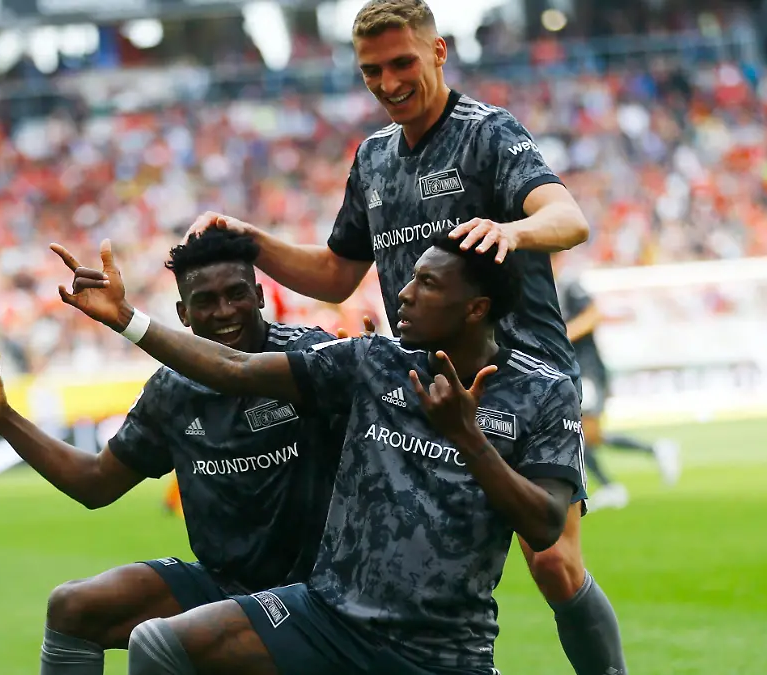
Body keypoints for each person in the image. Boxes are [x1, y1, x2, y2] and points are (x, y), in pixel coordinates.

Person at [184, 1, 623, 672]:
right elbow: (334, 274)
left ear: (438, 53)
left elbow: (568, 216)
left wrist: (513, 231)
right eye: (370, 72)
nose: (388, 83)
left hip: (520, 377)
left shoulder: (488, 136)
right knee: (399, 568)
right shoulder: (376, 159)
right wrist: (248, 238)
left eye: (401, 64)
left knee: (555, 564)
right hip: (419, 386)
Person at [54, 233, 585, 675]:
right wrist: (127, 318)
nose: (403, 293)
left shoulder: (545, 392)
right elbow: (234, 371)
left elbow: (543, 525)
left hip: (442, 648)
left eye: (426, 283)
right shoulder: (374, 361)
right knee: (159, 645)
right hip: (327, 617)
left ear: (476, 308)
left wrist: (468, 437)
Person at [0, 229, 344, 675]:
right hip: (224, 583)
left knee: (159, 642)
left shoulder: (308, 358)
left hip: (312, 593)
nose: (224, 312)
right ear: (183, 314)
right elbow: (95, 483)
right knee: (74, 606)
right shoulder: (171, 390)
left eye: (236, 294)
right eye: (205, 301)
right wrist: (6, 420)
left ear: (260, 296)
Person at [557, 274, 681, 510]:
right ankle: (652, 453)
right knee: (584, 435)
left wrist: (561, 335)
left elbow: (593, 315)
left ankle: (612, 486)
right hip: (571, 371)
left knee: (583, 434)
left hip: (588, 370)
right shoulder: (546, 288)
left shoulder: (569, 285)